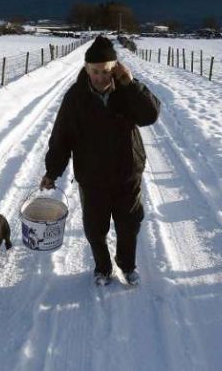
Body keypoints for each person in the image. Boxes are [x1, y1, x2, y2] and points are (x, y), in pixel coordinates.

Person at [40, 35, 160, 286]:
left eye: (106, 71)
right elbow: (61, 137)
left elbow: (150, 114)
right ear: (86, 69)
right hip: (92, 177)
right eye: (95, 71)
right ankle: (102, 267)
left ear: (115, 68)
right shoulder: (75, 98)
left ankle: (127, 265)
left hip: (127, 172)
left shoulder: (127, 90)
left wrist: (130, 83)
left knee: (129, 225)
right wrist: (52, 171)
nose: (101, 77)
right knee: (95, 228)